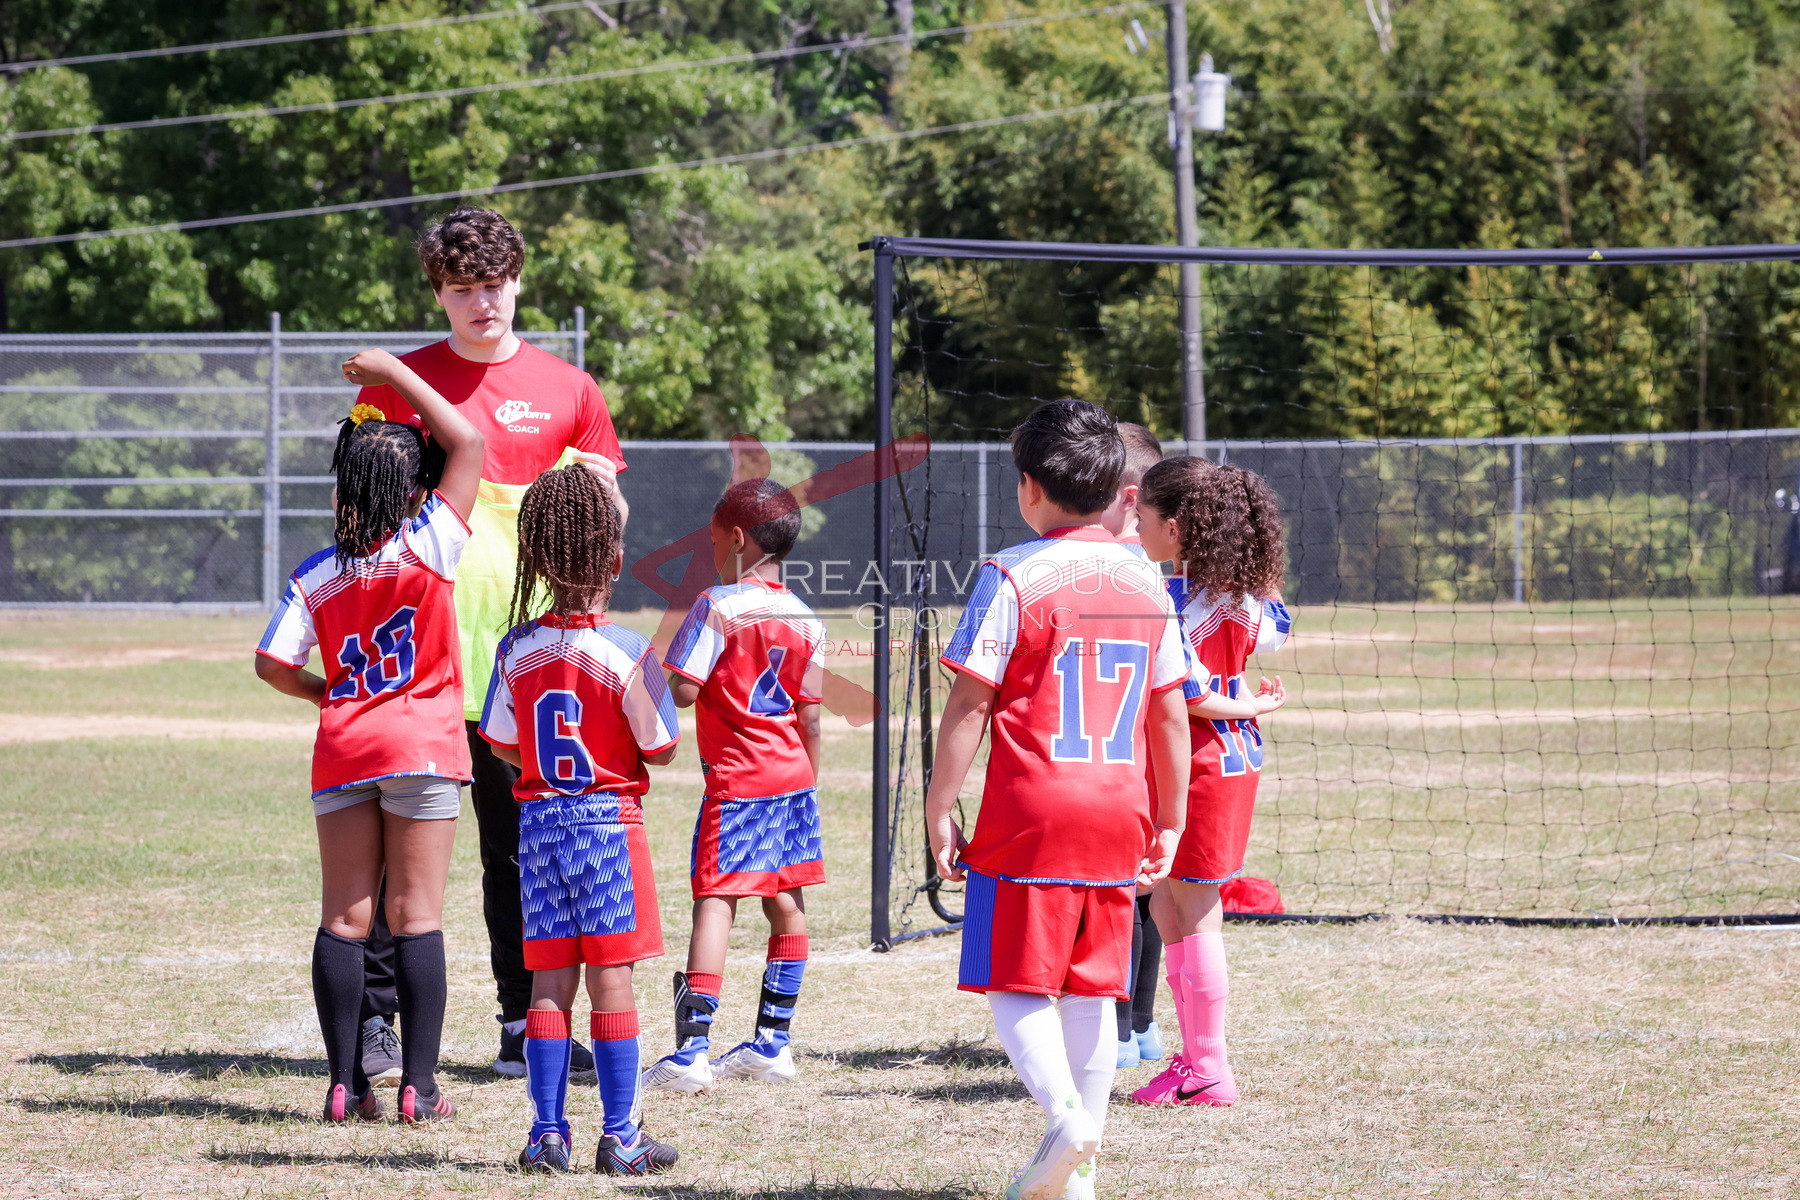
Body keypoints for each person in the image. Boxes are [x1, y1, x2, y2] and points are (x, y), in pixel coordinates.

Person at [353, 206, 626, 1082]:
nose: (483, 302)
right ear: (438, 292)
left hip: (526, 668)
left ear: (518, 281)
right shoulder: (397, 385)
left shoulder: (570, 389)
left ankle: (520, 1024)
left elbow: (604, 520)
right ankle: (378, 1023)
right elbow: (359, 515)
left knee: (520, 855)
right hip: (419, 663)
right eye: (464, 287)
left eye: (495, 284)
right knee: (397, 856)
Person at [924, 400, 1192, 1200]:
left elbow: (969, 703)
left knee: (1014, 984)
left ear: (1029, 488)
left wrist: (939, 806)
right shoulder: (1148, 582)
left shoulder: (1010, 574)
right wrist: (1170, 820)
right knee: (1093, 990)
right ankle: (1083, 1174)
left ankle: (1067, 1122)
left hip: (1031, 815)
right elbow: (1170, 715)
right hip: (1120, 811)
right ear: (1117, 489)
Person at [253, 348, 484, 1124]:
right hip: (422, 748)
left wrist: (329, 693)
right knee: (416, 916)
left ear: (342, 487)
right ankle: (420, 1085)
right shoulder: (430, 543)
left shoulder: (317, 572)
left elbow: (271, 664)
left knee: (344, 920)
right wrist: (395, 373)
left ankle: (344, 1084)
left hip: (345, 747)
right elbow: (470, 441)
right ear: (415, 490)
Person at [478, 464, 683, 1175]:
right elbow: (663, 745)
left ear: (535, 559)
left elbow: (500, 741)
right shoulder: (629, 651)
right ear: (616, 560)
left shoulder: (514, 649)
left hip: (539, 828)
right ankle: (622, 1137)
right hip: (608, 830)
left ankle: (546, 1134)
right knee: (612, 982)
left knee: (548, 983)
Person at [640, 478, 827, 1095]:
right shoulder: (808, 617)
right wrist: (806, 782)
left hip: (739, 779)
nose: (714, 549)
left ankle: (692, 1054)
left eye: (716, 539)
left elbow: (685, 689)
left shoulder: (717, 605)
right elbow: (810, 718)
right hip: (792, 777)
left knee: (716, 901)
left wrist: (656, 676)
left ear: (739, 538)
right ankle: (773, 1044)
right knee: (785, 901)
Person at [1129, 455, 1291, 1108]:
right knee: (1167, 906)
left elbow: (1190, 695)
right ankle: (1194, 1058)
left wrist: (1244, 705)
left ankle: (1208, 1069)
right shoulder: (1248, 598)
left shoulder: (1171, 602)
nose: (1135, 529)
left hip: (1197, 761)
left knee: (1195, 911)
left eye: (1142, 518)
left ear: (1176, 528)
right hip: (1228, 758)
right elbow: (1278, 629)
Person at [1099, 421, 1169, 1071]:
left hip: (1111, 759)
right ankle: (1140, 1027)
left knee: (1116, 898)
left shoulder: (1101, 568)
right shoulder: (1154, 571)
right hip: (1146, 757)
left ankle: (1117, 1031)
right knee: (1143, 894)